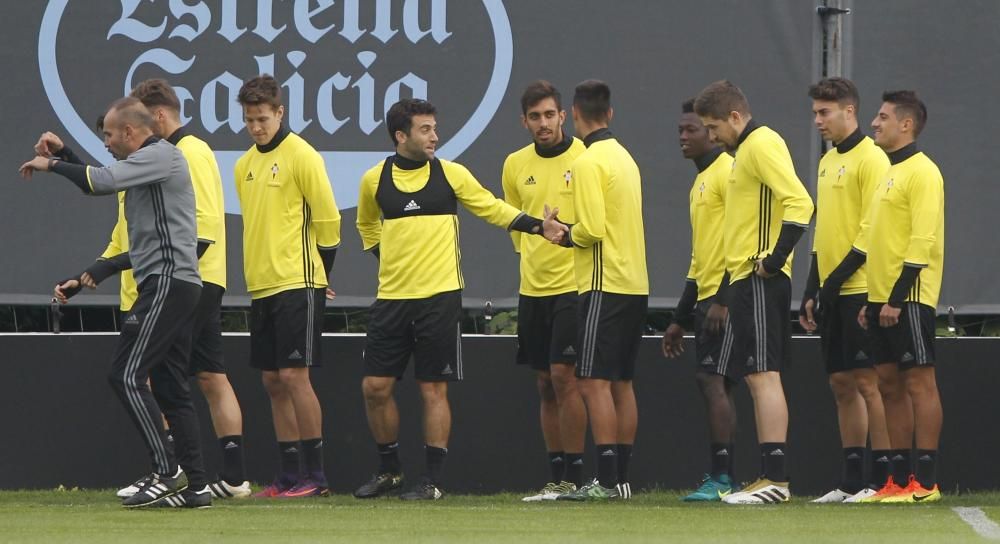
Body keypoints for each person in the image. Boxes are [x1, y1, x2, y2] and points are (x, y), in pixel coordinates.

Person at [354, 98, 566, 501]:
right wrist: (388, 259)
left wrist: (539, 226)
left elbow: (492, 209)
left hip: (439, 299)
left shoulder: (450, 174)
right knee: (374, 387)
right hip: (391, 300)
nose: (434, 135)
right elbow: (366, 225)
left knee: (433, 390)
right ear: (401, 136)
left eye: (435, 127)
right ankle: (389, 470)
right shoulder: (373, 180)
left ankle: (431, 482)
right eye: (424, 129)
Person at [20, 97, 211, 508]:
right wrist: (67, 155)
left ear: (130, 132)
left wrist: (50, 164)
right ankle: (197, 488)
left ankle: (167, 472)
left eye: (107, 133)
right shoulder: (147, 166)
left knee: (125, 374)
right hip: (170, 282)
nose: (104, 141)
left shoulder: (162, 155)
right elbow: (105, 180)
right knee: (171, 388)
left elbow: (100, 181)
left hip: (168, 282)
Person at [694, 80, 814, 504]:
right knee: (756, 375)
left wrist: (773, 260)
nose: (711, 136)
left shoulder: (762, 143)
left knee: (763, 374)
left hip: (761, 278)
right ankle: (769, 477)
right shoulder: (745, 151)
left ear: (735, 116)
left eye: (713, 126)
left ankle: (776, 481)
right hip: (746, 280)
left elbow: (800, 202)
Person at [233, 75, 341, 498]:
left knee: (296, 377)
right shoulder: (243, 165)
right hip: (262, 286)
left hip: (300, 281)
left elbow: (329, 221)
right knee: (272, 382)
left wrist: (321, 273)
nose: (256, 126)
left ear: (280, 112)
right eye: (249, 120)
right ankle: (289, 475)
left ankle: (316, 477)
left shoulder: (303, 155)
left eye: (262, 118)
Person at [547, 80, 648, 501]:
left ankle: (606, 481)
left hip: (603, 284)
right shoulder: (625, 157)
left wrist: (560, 233)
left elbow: (591, 230)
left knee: (591, 381)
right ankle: (619, 479)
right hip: (634, 283)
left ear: (574, 114)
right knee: (621, 382)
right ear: (609, 113)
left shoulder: (588, 162)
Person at [800, 78, 892, 504]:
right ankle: (852, 480)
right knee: (840, 383)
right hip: (832, 291)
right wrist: (811, 289)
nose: (818, 120)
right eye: (816, 112)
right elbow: (822, 234)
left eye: (825, 112)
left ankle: (881, 479)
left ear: (850, 111)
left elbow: (871, 231)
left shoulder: (872, 159)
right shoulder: (826, 161)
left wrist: (834, 284)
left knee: (868, 382)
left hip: (860, 289)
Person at [501, 81, 588, 502]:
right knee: (543, 383)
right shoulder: (515, 164)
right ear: (524, 121)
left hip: (574, 285)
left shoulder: (585, 157)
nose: (543, 123)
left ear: (564, 116)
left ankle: (575, 475)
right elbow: (516, 225)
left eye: (549, 115)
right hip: (532, 288)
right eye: (534, 117)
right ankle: (557, 476)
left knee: (564, 377)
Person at [859, 90, 944, 503]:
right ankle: (895, 480)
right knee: (888, 384)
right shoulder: (886, 174)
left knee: (919, 383)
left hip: (909, 298)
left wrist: (895, 298)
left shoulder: (924, 172)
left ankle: (925, 483)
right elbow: (881, 241)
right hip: (881, 298)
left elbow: (921, 241)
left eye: (882, 117)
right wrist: (871, 301)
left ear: (905, 124)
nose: (874, 123)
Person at [662, 99, 738, 501]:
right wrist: (679, 317)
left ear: (711, 132)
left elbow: (739, 242)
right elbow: (700, 256)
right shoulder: (701, 181)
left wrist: (724, 299)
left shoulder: (729, 173)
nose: (682, 137)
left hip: (726, 299)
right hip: (707, 298)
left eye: (690, 130)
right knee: (717, 382)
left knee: (713, 380)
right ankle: (725, 477)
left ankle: (723, 479)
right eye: (679, 130)